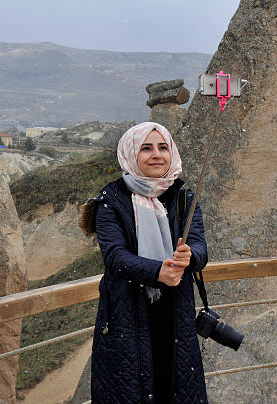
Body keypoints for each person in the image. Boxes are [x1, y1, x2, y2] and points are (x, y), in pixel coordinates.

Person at [88, 122, 208, 404]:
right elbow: (115, 257)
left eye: (163, 147)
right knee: (132, 390)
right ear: (131, 154)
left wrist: (190, 256)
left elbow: (200, 246)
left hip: (175, 317)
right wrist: (157, 272)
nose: (157, 155)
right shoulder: (111, 201)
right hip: (127, 317)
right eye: (146, 148)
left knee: (174, 388)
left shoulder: (183, 197)